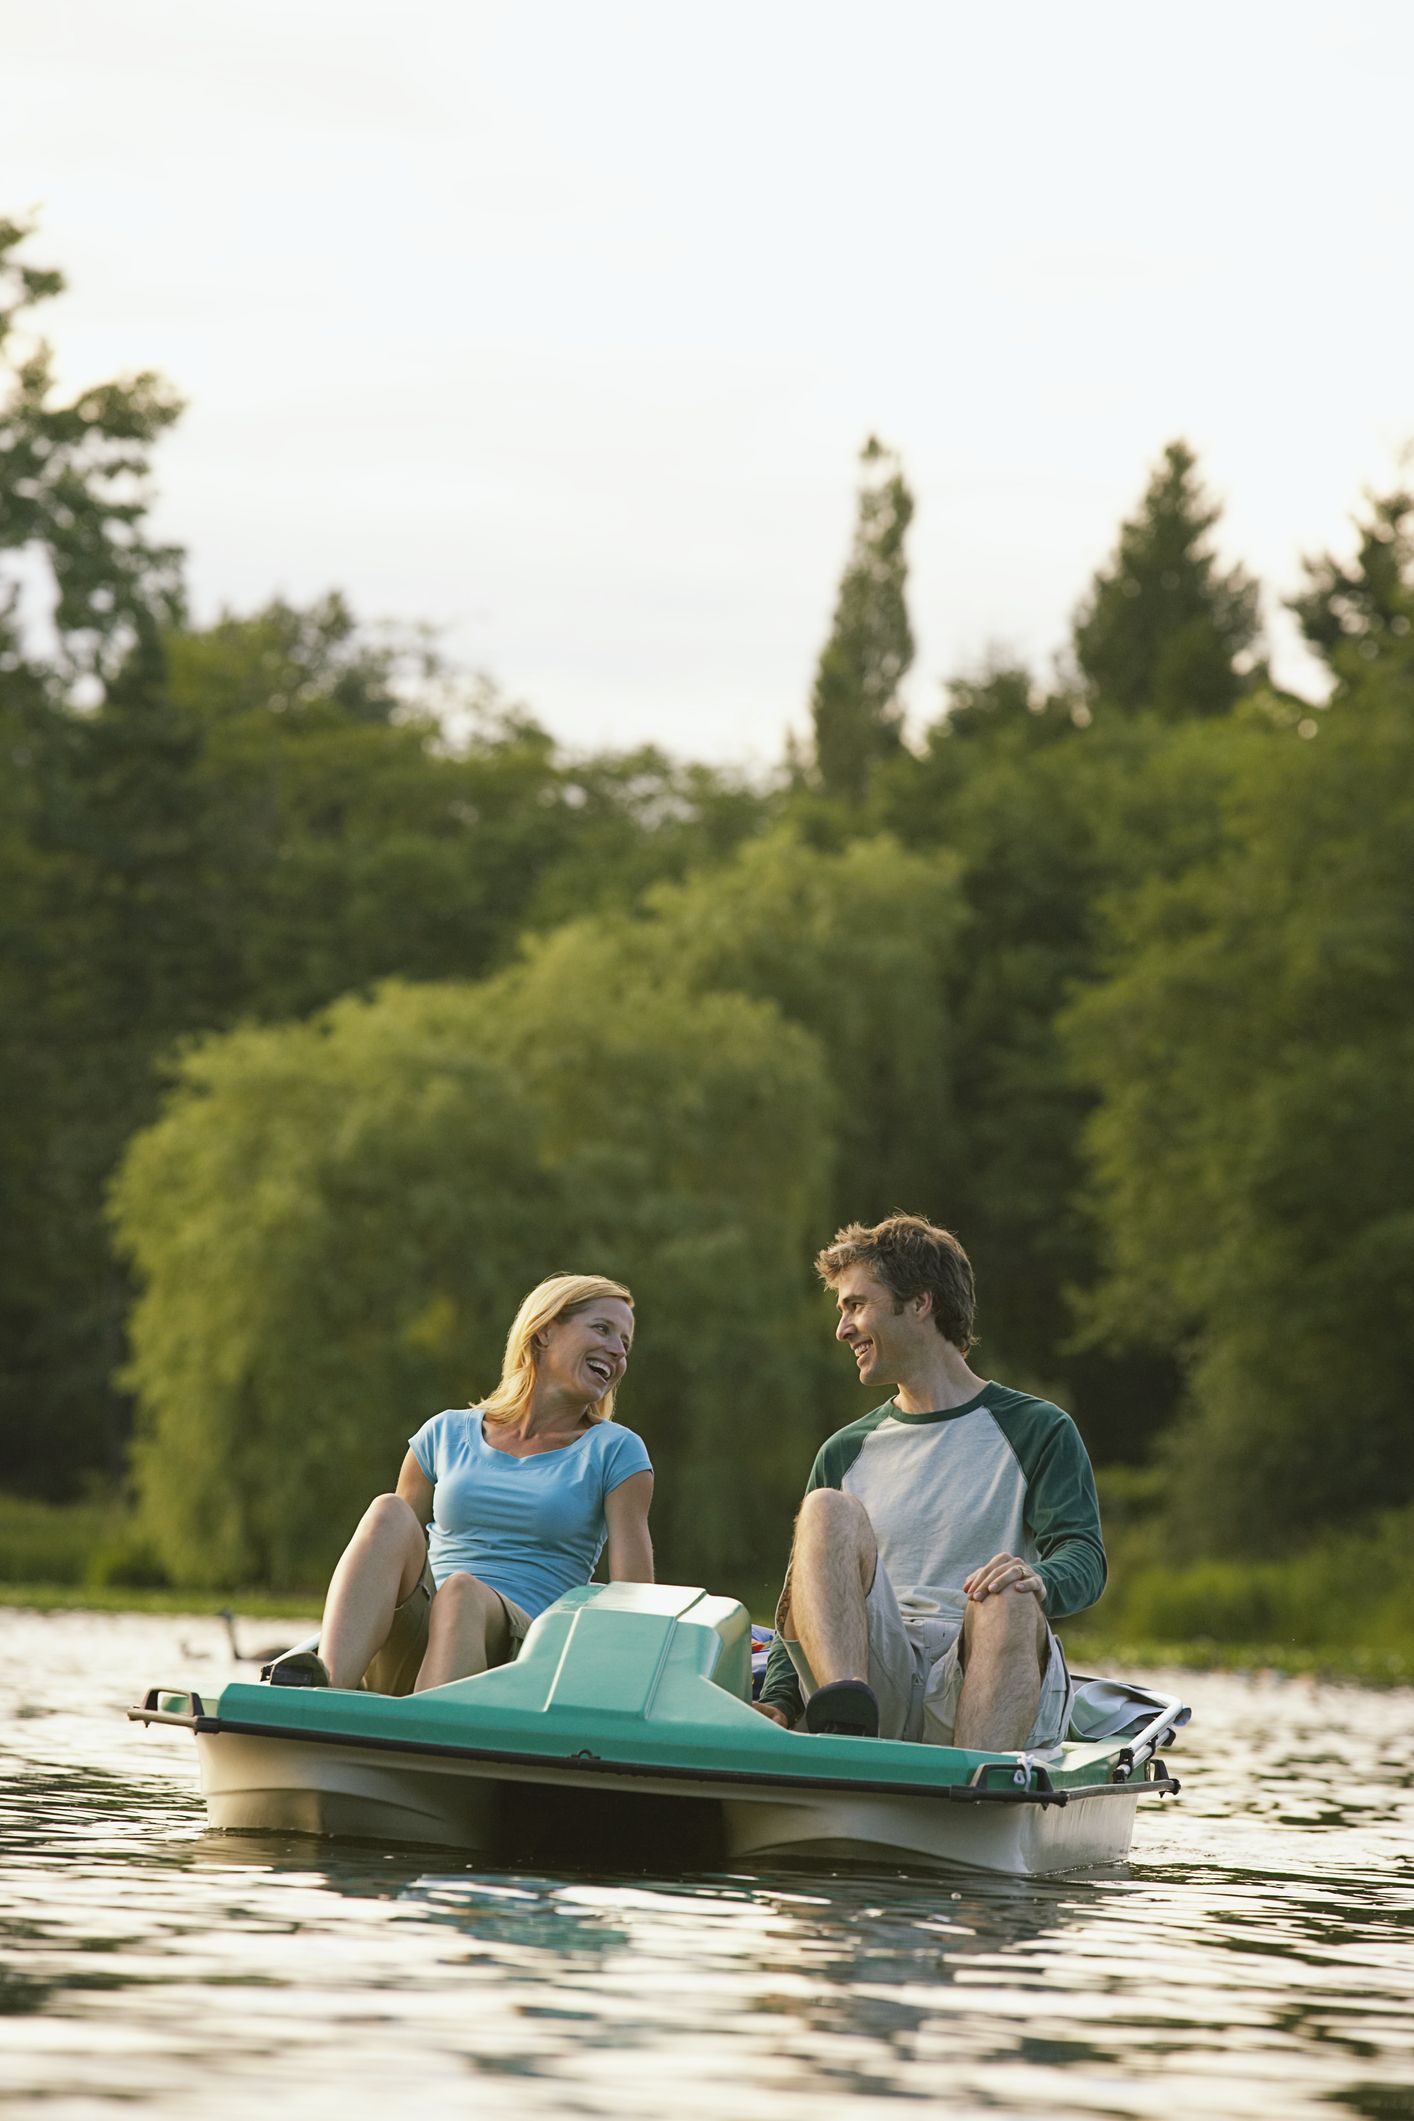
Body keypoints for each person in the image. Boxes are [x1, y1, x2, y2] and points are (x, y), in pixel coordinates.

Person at [755, 1214, 1105, 1749]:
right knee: (826, 1508)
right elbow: (803, 1598)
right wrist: (779, 1701)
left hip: (984, 1669)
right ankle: (844, 1726)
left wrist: (1038, 1581)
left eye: (856, 1305)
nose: (842, 1328)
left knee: (1008, 1592)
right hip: (879, 1677)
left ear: (920, 1303)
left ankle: (975, 1791)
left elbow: (1085, 1559)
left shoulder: (1038, 1429)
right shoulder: (844, 1451)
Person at [269, 1273, 653, 1692]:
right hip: (422, 1633)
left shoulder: (616, 1451)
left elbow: (632, 1596)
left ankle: (426, 1732)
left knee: (462, 1594)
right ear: (544, 1332)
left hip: (524, 1656)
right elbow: (392, 1561)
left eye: (625, 1344)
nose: (617, 1351)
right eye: (602, 1329)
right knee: (388, 1511)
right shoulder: (444, 1433)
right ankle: (325, 1692)